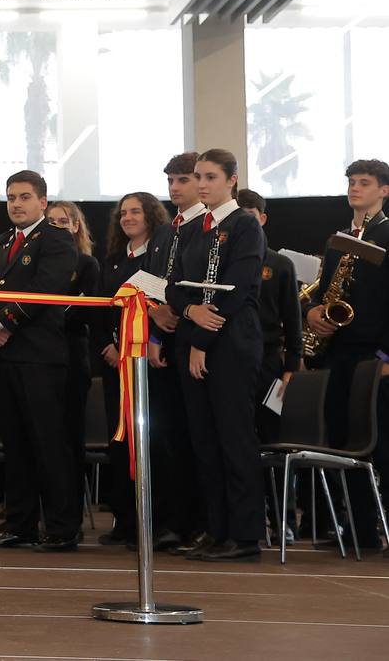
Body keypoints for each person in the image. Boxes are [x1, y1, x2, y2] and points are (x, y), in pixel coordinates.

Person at [165, 149, 266, 562]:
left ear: (231, 180)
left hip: (230, 344)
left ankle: (244, 535)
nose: (201, 184)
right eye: (198, 177)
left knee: (233, 438)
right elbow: (172, 286)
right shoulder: (193, 227)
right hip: (194, 342)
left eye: (209, 177)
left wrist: (202, 340)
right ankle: (216, 527)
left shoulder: (244, 225)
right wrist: (189, 312)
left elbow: (239, 287)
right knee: (204, 440)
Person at [0, 170, 79, 552]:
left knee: (48, 443)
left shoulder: (57, 240)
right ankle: (20, 523)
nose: (15, 204)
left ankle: (63, 526)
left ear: (42, 202)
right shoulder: (0, 244)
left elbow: (44, 290)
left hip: (39, 358)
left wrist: (2, 322)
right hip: (0, 358)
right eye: (11, 197)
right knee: (14, 444)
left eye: (23, 197)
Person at [303, 159, 389, 553]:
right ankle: (358, 531)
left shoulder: (387, 234)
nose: (355, 188)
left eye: (364, 182)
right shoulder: (337, 240)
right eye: (351, 182)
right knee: (342, 442)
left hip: (375, 356)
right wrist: (314, 312)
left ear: (383, 190)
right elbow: (322, 290)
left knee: (380, 445)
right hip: (338, 354)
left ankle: (381, 528)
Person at [90, 191, 179, 548]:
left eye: (135, 212)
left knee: (155, 443)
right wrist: (108, 347)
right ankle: (125, 521)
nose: (127, 218)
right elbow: (98, 311)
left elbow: (161, 304)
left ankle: (160, 524)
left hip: (148, 367)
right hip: (116, 366)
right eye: (123, 212)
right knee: (119, 442)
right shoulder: (111, 261)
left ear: (151, 217)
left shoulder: (160, 261)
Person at [145, 152, 207, 555]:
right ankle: (173, 521)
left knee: (195, 436)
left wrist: (178, 311)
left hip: (195, 339)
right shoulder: (167, 230)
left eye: (183, 180)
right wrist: (153, 323)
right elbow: (150, 282)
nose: (175, 188)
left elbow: (205, 284)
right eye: (171, 180)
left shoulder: (209, 226)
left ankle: (200, 522)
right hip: (164, 339)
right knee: (165, 437)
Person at [235, 189, 303, 445]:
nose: (244, 222)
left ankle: (274, 486)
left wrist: (291, 369)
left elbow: (293, 320)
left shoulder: (280, 264)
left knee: (270, 430)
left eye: (249, 216)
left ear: (262, 219)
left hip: (268, 359)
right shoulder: (223, 260)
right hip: (232, 356)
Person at [47, 200, 99, 523]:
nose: (57, 227)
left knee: (70, 437)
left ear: (76, 226)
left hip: (72, 357)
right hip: (42, 358)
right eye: (50, 221)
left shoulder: (86, 264)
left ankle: (72, 515)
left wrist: (43, 321)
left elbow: (86, 312)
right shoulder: (41, 263)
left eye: (63, 221)